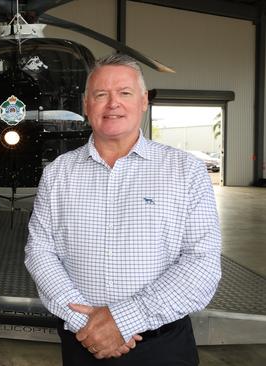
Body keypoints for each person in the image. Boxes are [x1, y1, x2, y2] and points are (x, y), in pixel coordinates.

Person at [24, 54, 221, 366]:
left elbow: (202, 264)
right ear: (86, 105)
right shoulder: (58, 172)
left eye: (125, 93)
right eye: (101, 95)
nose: (112, 103)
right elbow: (40, 251)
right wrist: (87, 325)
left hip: (161, 345)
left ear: (143, 101)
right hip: (82, 341)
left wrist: (123, 321)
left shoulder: (186, 171)